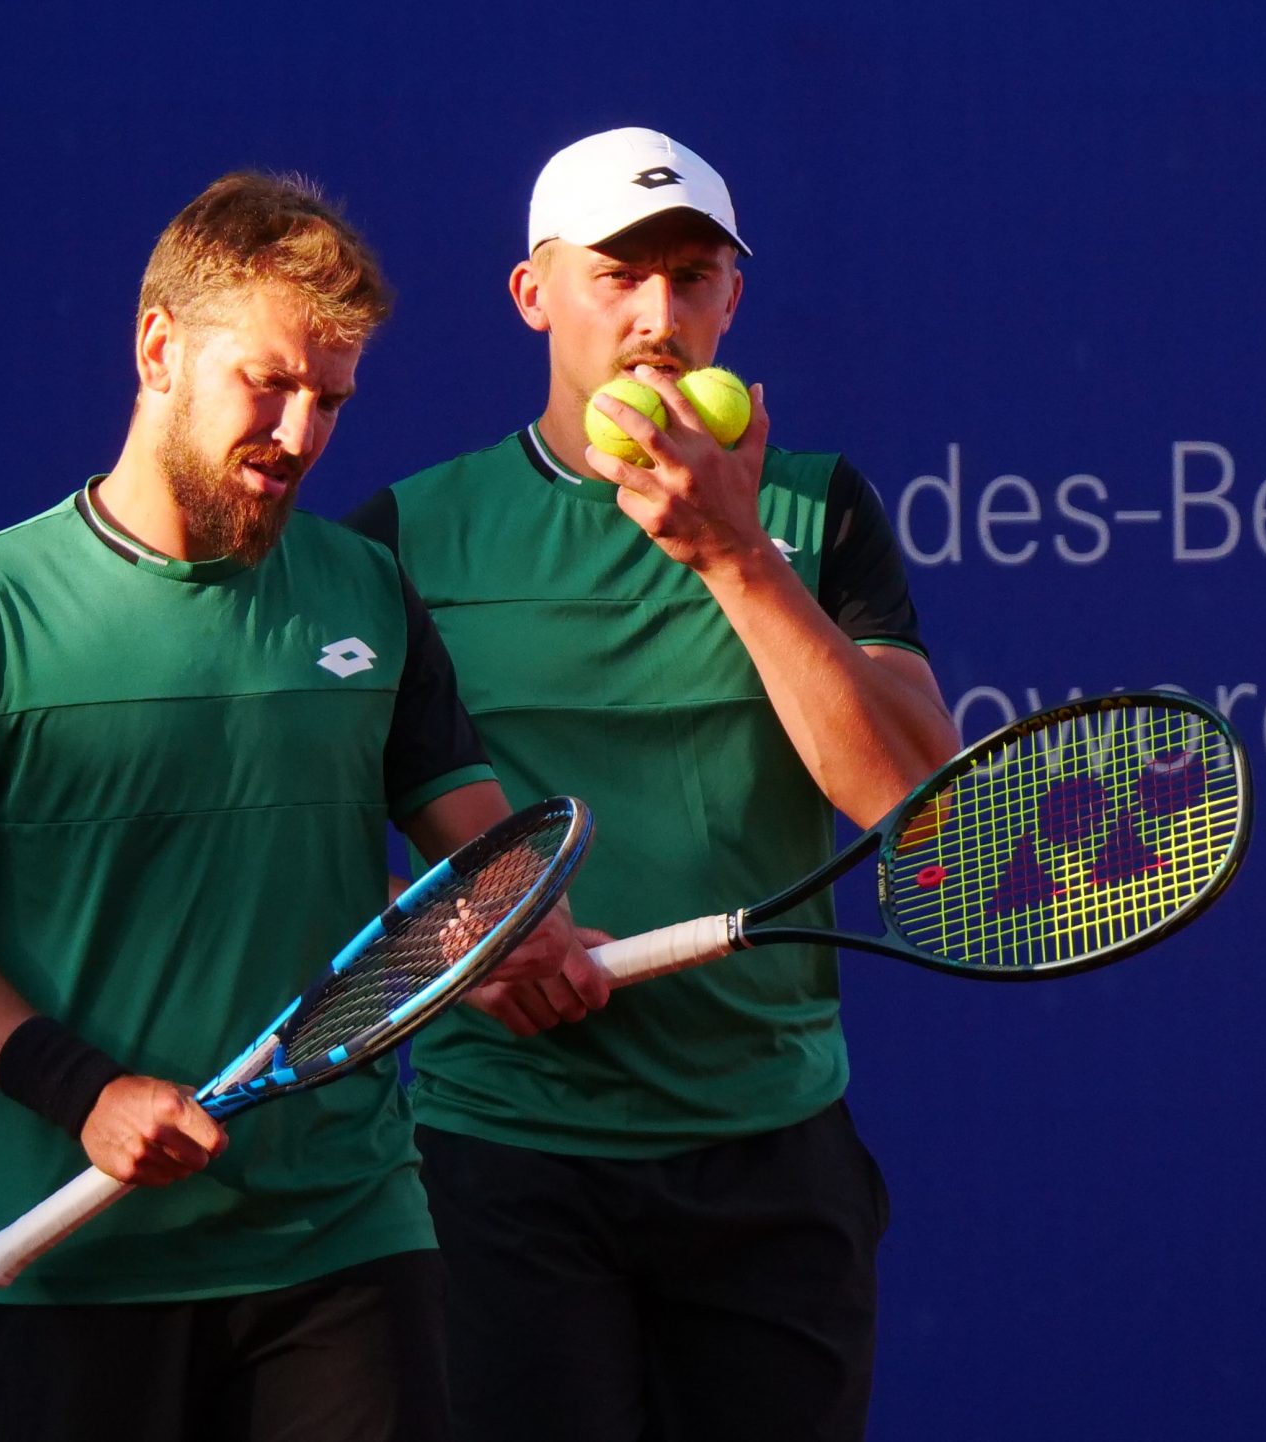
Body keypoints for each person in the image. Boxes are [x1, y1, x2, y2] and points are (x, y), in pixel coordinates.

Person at [0, 171, 577, 1442]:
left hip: (347, 1242)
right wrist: (86, 1090)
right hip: (88, 1263)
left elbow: (484, 856)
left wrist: (515, 942)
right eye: (270, 383)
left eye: (332, 400)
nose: (299, 433)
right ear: (158, 347)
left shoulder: (368, 593)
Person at [345, 127, 962, 1441]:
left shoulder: (814, 508)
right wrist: (460, 935)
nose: (657, 316)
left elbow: (919, 807)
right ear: (534, 294)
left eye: (692, 278)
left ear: (733, 298)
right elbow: (313, 839)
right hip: (503, 1158)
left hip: (770, 1148)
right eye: (617, 276)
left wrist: (738, 555)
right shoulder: (404, 535)